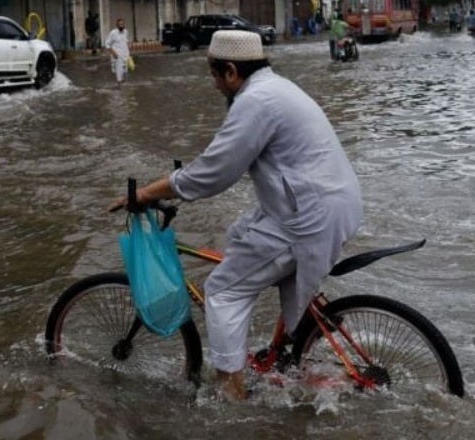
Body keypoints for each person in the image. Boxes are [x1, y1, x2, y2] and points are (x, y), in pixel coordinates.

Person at [108, 30, 363, 400]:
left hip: (307, 216)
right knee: (240, 233)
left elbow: (214, 171)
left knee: (222, 290)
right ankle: (289, 355)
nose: (214, 86)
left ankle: (232, 391)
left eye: (214, 76)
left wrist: (148, 192)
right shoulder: (276, 88)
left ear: (230, 71)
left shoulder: (255, 101)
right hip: (325, 203)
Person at [104, 18, 130, 83]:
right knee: (119, 75)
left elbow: (126, 42)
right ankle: (120, 89)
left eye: (123, 24)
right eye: (120, 24)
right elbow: (107, 44)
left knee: (125, 73)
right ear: (117, 25)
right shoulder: (113, 33)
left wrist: (128, 54)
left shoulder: (126, 32)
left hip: (125, 56)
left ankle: (124, 89)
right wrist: (113, 53)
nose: (122, 25)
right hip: (117, 56)